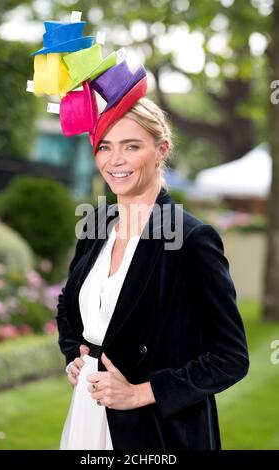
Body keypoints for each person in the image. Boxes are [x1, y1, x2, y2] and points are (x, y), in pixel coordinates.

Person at [56, 96, 249, 450]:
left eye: (131, 147)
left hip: (158, 431)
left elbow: (230, 358)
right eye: (105, 147)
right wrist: (76, 356)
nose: (115, 161)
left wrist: (139, 393)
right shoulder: (97, 224)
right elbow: (67, 303)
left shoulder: (191, 238)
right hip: (88, 412)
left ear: (161, 149)